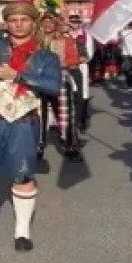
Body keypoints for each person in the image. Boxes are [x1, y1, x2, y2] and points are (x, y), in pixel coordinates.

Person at [0, 0, 62, 253]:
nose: (18, 25)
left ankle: (22, 232)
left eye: (24, 20)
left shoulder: (46, 56)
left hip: (23, 119)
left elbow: (53, 87)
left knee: (23, 175)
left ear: (33, 23)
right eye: (13, 20)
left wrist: (18, 76)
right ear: (6, 23)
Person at [37, 10, 83, 160]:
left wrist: (62, 63)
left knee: (65, 114)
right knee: (38, 114)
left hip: (60, 78)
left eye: (50, 22)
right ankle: (38, 145)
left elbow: (75, 59)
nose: (47, 24)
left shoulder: (65, 40)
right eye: (44, 22)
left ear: (55, 24)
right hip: (38, 81)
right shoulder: (35, 41)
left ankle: (70, 145)